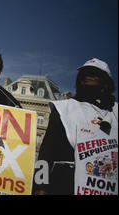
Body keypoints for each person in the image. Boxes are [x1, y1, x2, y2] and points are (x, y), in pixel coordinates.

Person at [34, 58, 118, 195]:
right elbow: (46, 152)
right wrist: (40, 187)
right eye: (84, 73)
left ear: (106, 82)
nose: (88, 76)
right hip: (63, 184)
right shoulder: (63, 108)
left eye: (94, 73)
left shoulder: (115, 112)